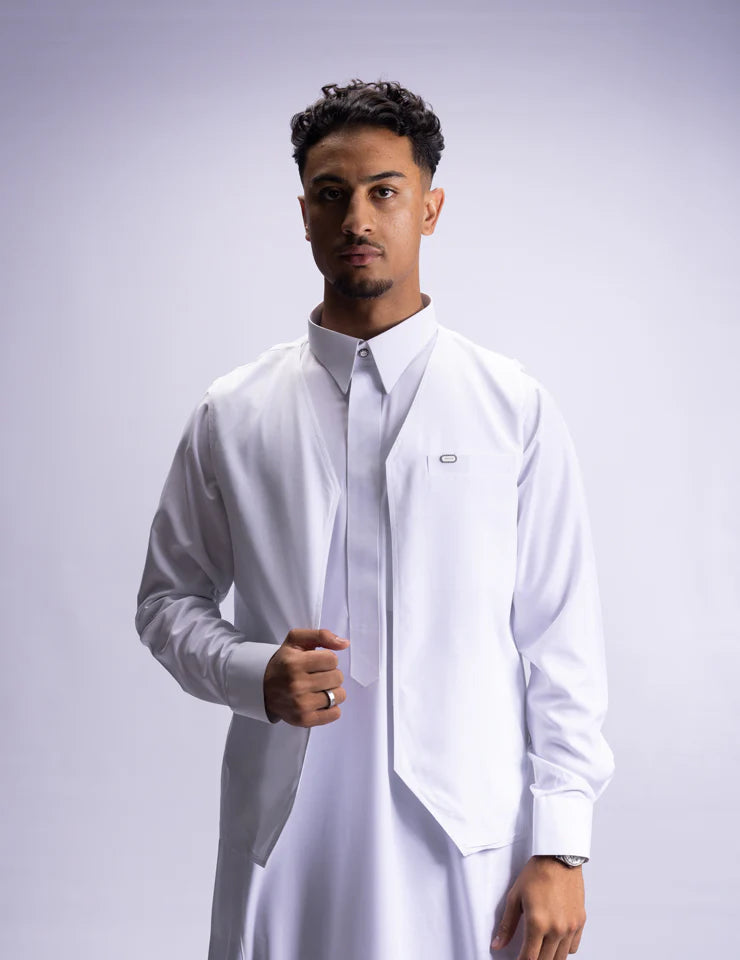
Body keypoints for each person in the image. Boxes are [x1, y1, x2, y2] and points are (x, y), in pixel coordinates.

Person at [135, 78, 615, 960]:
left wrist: (562, 845)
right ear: (305, 215)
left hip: (467, 845)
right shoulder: (234, 411)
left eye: (384, 191)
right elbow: (167, 603)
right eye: (332, 194)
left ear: (429, 208)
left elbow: (561, 641)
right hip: (283, 838)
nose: (357, 217)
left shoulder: (511, 407)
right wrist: (252, 673)